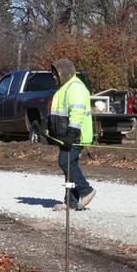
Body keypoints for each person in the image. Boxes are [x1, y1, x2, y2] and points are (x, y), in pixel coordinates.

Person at [47, 59, 96, 211]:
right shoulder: (64, 87)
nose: (54, 77)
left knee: (65, 162)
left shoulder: (75, 87)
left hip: (76, 135)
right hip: (65, 135)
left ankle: (86, 190)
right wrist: (49, 128)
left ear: (63, 73)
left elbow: (77, 112)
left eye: (55, 74)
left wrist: (71, 134)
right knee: (69, 165)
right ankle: (71, 201)